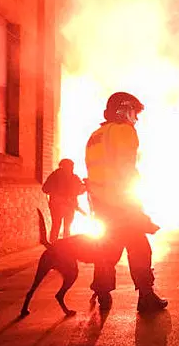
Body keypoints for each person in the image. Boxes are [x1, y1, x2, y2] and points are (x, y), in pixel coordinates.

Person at [84, 91, 167, 313]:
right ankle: (146, 297)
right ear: (124, 110)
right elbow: (126, 170)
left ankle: (102, 292)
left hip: (102, 206)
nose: (136, 119)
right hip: (122, 204)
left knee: (107, 251)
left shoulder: (96, 135)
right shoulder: (124, 132)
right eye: (134, 112)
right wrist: (137, 208)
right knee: (140, 248)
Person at [42, 158, 86, 242]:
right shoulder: (57, 177)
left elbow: (79, 190)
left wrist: (83, 187)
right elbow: (45, 189)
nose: (72, 168)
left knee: (60, 226)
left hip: (63, 206)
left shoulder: (72, 177)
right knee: (62, 227)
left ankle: (55, 246)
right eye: (70, 166)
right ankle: (61, 246)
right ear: (64, 166)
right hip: (59, 206)